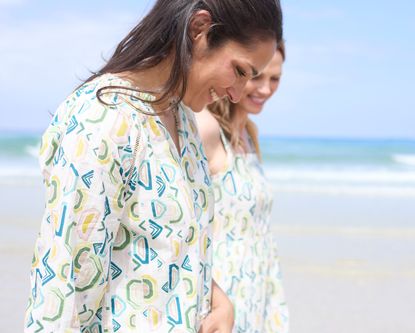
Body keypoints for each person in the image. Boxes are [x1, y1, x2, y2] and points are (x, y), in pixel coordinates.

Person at [24, 1, 282, 332]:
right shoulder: (104, 118)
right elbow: (63, 287)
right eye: (240, 71)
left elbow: (173, 251)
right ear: (199, 29)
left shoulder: (183, 121)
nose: (236, 94)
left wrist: (219, 299)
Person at [196, 42, 288, 333]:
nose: (265, 89)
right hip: (222, 296)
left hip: (258, 292)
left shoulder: (249, 134)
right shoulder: (206, 128)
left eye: (275, 79)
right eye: (256, 76)